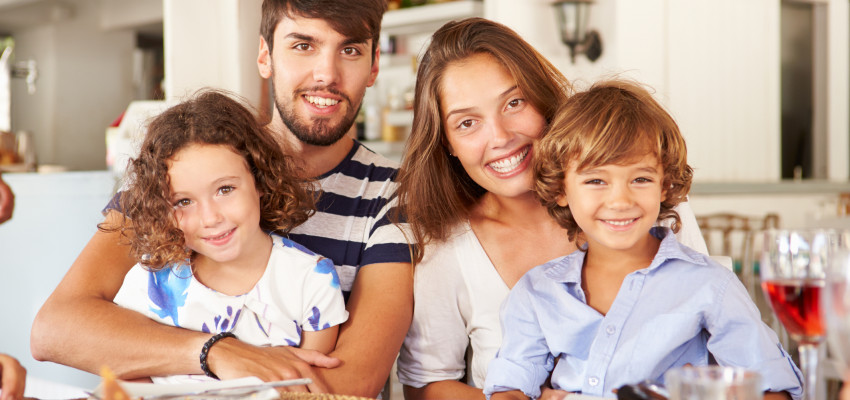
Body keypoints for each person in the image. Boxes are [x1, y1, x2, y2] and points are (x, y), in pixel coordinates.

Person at [31, 0, 412, 396]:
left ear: (374, 67)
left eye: (350, 50)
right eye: (303, 45)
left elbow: (350, 382)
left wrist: (154, 352)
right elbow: (56, 328)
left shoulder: (395, 197)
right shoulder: (182, 173)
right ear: (265, 56)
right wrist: (216, 352)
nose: (327, 74)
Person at [395, 17, 708, 400]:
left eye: (514, 102)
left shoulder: (649, 205)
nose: (501, 137)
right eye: (467, 123)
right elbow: (426, 385)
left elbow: (720, 342)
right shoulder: (447, 246)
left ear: (543, 101)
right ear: (447, 143)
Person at [482, 80, 802, 400]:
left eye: (640, 179)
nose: (620, 201)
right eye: (596, 180)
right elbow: (509, 388)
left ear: (664, 185)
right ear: (562, 190)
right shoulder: (537, 292)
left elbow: (775, 389)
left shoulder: (710, 287)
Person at [108, 89, 347, 384]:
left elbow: (311, 386)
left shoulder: (312, 280)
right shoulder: (149, 282)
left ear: (260, 179)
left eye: (225, 189)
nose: (210, 218)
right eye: (183, 201)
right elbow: (128, 378)